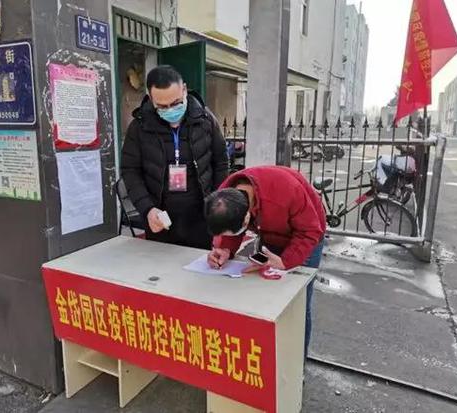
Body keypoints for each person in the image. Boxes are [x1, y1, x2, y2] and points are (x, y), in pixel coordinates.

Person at [204, 166, 326, 354]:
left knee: (298, 304)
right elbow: (230, 229)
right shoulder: (223, 199)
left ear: (247, 217)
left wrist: (286, 261)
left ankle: (296, 362)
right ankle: (269, 355)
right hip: (270, 231)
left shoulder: (285, 192)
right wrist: (224, 248)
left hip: (307, 233)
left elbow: (310, 231)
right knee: (267, 300)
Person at [121, 65, 229, 249]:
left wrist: (216, 201)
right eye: (162, 106)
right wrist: (147, 208)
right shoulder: (140, 127)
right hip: (160, 217)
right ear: (151, 98)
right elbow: (130, 170)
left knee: (199, 262)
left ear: (184, 89)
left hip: (200, 215)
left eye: (176, 103)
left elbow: (221, 162)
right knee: (161, 264)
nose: (171, 110)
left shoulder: (205, 120)